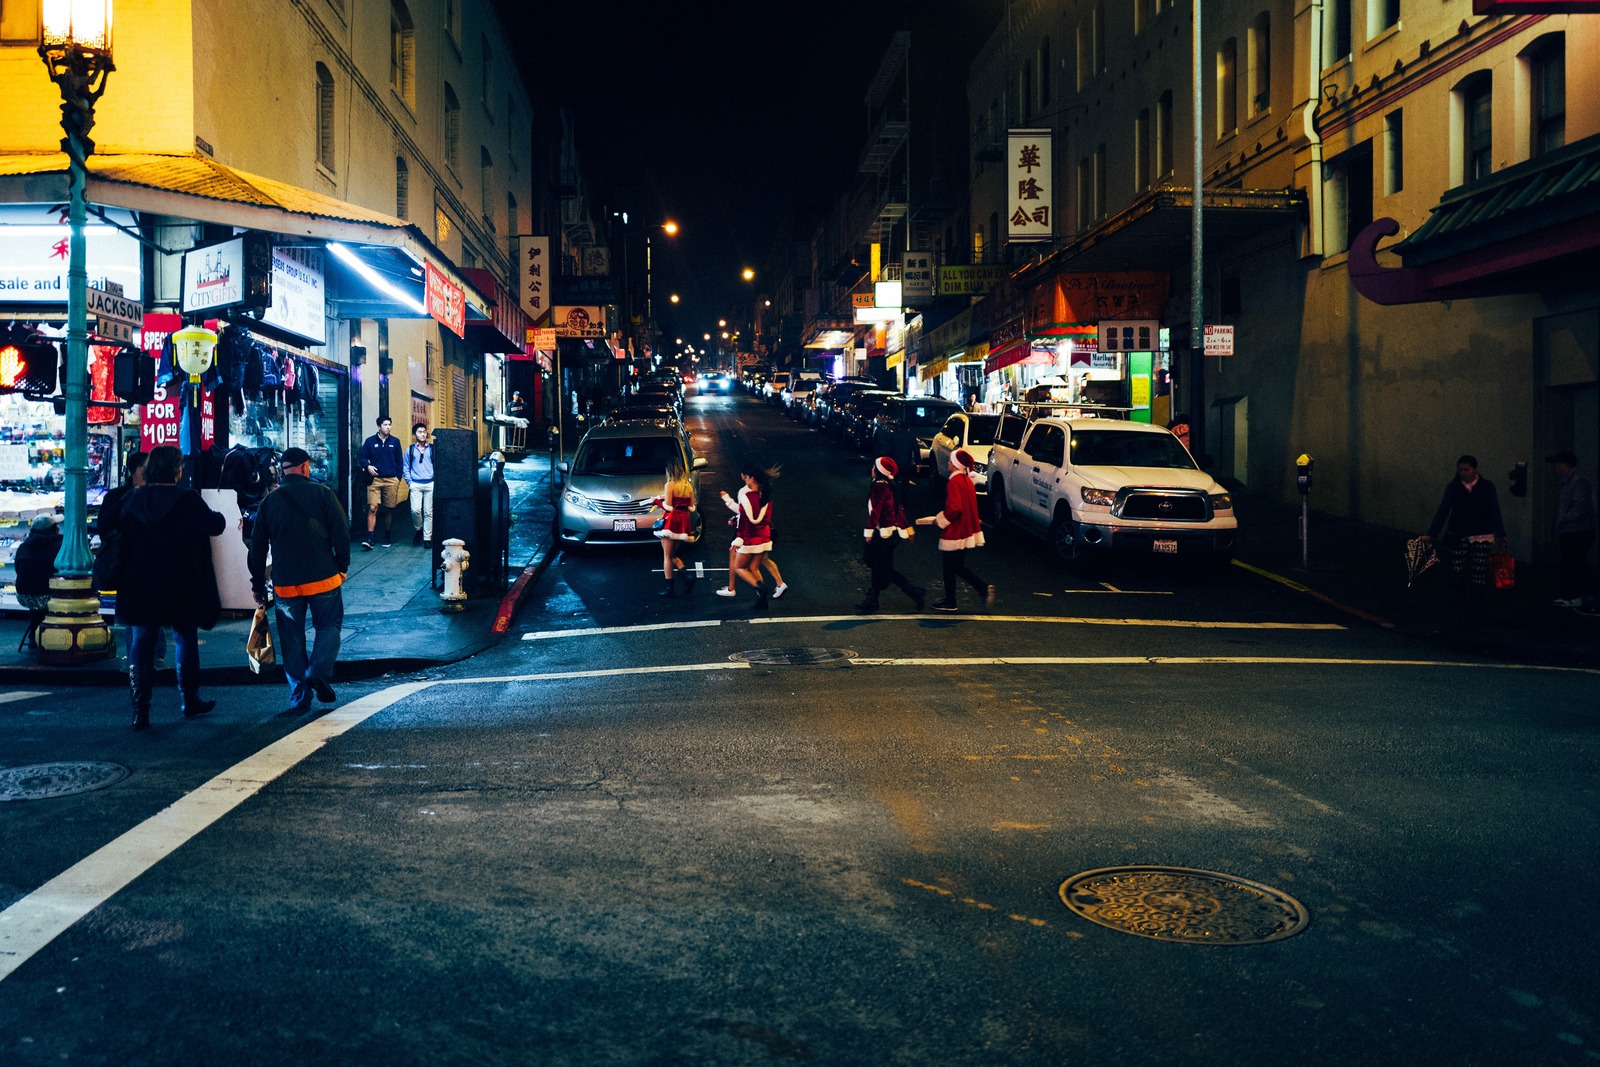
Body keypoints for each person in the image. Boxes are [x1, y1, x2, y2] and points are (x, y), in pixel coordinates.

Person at [101, 445, 226, 731]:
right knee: (185, 639)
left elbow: (106, 524)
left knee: (141, 646)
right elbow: (215, 525)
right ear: (177, 470)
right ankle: (189, 699)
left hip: (140, 584)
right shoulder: (186, 500)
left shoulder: (132, 499)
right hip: (181, 582)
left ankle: (140, 710)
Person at [248, 446, 351, 714]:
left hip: (286, 585)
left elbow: (257, 549)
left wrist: (258, 586)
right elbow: (341, 533)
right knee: (329, 626)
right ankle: (318, 670)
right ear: (306, 467)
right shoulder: (323, 494)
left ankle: (299, 697)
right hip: (324, 579)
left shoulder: (270, 502)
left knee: (292, 638)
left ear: (282, 470)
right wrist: (342, 566)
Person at [1421, 454, 1508, 609]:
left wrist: (1500, 532)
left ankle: (1475, 604)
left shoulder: (1486, 487)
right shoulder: (1455, 487)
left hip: (1481, 533)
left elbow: (1494, 509)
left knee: (1479, 571)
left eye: (1466, 470)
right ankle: (1465, 599)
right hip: (1460, 532)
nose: (1463, 473)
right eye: (1461, 470)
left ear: (1475, 470)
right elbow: (1443, 509)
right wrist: (1432, 532)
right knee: (1457, 569)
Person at [917, 448, 993, 613]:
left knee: (949, 567)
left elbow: (954, 508)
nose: (948, 463)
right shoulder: (966, 481)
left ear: (956, 464)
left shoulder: (954, 482)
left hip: (956, 531)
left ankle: (952, 600)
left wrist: (940, 520)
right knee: (956, 566)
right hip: (967, 529)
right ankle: (979, 589)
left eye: (951, 461)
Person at [857, 456, 924, 614]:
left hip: (883, 534)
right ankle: (874, 600)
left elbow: (876, 512)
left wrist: (869, 531)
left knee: (880, 569)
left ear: (879, 470)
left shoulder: (880, 487)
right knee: (882, 568)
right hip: (891, 534)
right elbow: (898, 510)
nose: (871, 469)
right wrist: (907, 528)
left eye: (873, 467)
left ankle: (912, 593)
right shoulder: (889, 485)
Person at [716, 464, 786, 611]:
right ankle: (762, 601)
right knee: (754, 567)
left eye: (746, 477)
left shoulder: (747, 497)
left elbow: (744, 519)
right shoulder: (765, 497)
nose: (744, 479)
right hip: (764, 538)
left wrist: (739, 538)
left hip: (749, 538)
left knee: (739, 567)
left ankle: (759, 588)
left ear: (751, 478)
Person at [1547, 449, 1597, 609]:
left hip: (1576, 530)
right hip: (1576, 529)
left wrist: (1561, 521)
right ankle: (1583, 594)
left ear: (1566, 466)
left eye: (1557, 464)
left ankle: (1575, 595)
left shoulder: (1577, 482)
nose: (1555, 467)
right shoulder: (1572, 482)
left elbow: (1579, 508)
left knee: (1573, 563)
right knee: (1576, 562)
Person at [12, 516, 61, 650]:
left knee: (37, 609)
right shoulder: (58, 545)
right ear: (52, 529)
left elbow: (18, 568)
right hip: (48, 596)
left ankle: (35, 633)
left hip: (24, 596)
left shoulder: (23, 546)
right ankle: (52, 634)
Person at [358, 415, 404, 549]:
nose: (388, 427)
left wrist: (397, 478)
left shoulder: (395, 442)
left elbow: (399, 462)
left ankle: (387, 535)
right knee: (373, 507)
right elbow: (362, 457)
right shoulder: (370, 442)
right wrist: (368, 466)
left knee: (389, 509)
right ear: (379, 426)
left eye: (389, 424)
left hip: (391, 479)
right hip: (375, 479)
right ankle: (370, 538)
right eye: (385, 425)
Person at [404, 422, 435, 548]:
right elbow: (405, 467)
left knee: (429, 512)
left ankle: (427, 538)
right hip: (416, 484)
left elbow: (438, 465)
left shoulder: (432, 449)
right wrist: (410, 482)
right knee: (415, 510)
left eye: (424, 432)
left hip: (430, 484)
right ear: (414, 434)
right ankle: (419, 529)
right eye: (419, 432)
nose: (423, 434)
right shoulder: (410, 449)